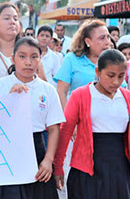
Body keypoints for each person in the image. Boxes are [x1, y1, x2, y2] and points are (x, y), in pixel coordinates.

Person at [0, 37, 65, 199]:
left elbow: (54, 128)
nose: (28, 62)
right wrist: (9, 100)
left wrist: (48, 160)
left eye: (34, 57)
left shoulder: (47, 90)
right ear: (13, 58)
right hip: (4, 152)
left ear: (40, 60)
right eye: (22, 56)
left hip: (36, 149)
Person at [54, 49, 130, 199]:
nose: (116, 81)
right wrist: (58, 167)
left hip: (119, 165)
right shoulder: (80, 95)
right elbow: (65, 131)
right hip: (86, 165)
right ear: (98, 71)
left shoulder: (127, 97)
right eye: (110, 75)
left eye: (121, 76)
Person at [54, 19, 111, 108]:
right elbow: (61, 92)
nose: (108, 42)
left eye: (108, 37)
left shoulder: (112, 61)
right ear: (88, 41)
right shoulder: (71, 59)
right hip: (78, 117)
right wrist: (67, 119)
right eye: (102, 38)